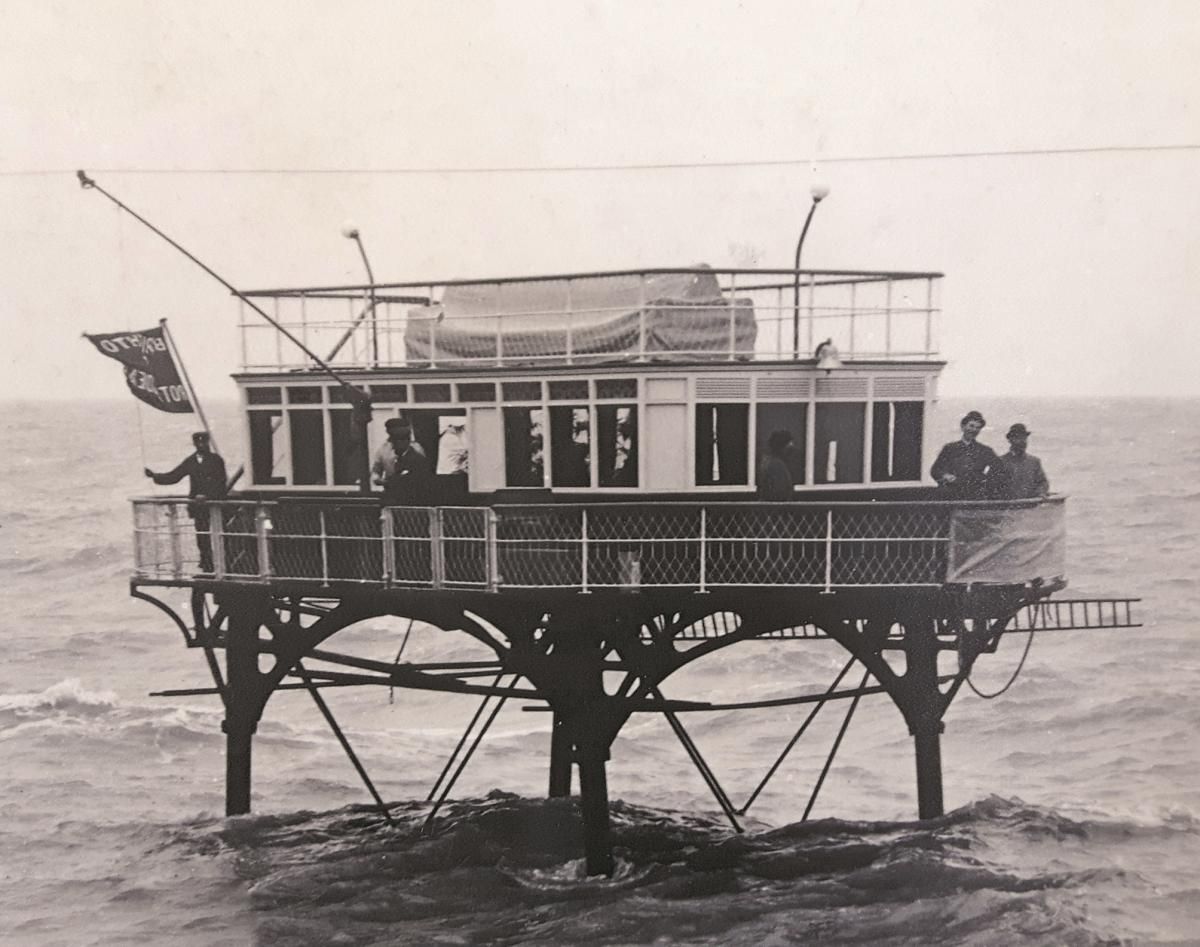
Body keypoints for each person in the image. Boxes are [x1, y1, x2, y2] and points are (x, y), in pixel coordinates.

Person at [144, 431, 228, 572]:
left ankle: (225, 560)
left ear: (208, 442)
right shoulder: (191, 461)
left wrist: (207, 496)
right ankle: (206, 562)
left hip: (215, 503)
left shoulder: (216, 460)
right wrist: (154, 476)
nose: (201, 445)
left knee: (221, 533)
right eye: (198, 442)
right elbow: (174, 476)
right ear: (194, 444)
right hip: (198, 506)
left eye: (204, 442)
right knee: (202, 534)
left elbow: (221, 482)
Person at [930, 410, 996, 499]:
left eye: (978, 428)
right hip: (951, 495)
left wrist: (985, 480)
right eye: (971, 426)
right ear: (963, 426)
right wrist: (945, 475)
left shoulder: (985, 450)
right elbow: (935, 470)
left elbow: (999, 469)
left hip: (975, 496)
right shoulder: (950, 448)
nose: (974, 430)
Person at [374, 419, 434, 506]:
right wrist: (378, 479)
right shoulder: (383, 449)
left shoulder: (416, 449)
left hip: (411, 495)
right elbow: (376, 469)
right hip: (390, 493)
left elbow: (422, 473)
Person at [991, 423, 1050, 499]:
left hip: (1031, 507)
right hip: (1007, 507)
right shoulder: (1000, 462)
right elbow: (993, 487)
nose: (1023, 441)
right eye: (1018, 438)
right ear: (1010, 440)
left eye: (1024, 438)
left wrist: (1041, 493)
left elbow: (1043, 482)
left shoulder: (1034, 462)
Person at [757, 429, 795, 500]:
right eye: (788, 449)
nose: (791, 453)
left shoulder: (768, 463)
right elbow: (779, 491)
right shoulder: (776, 465)